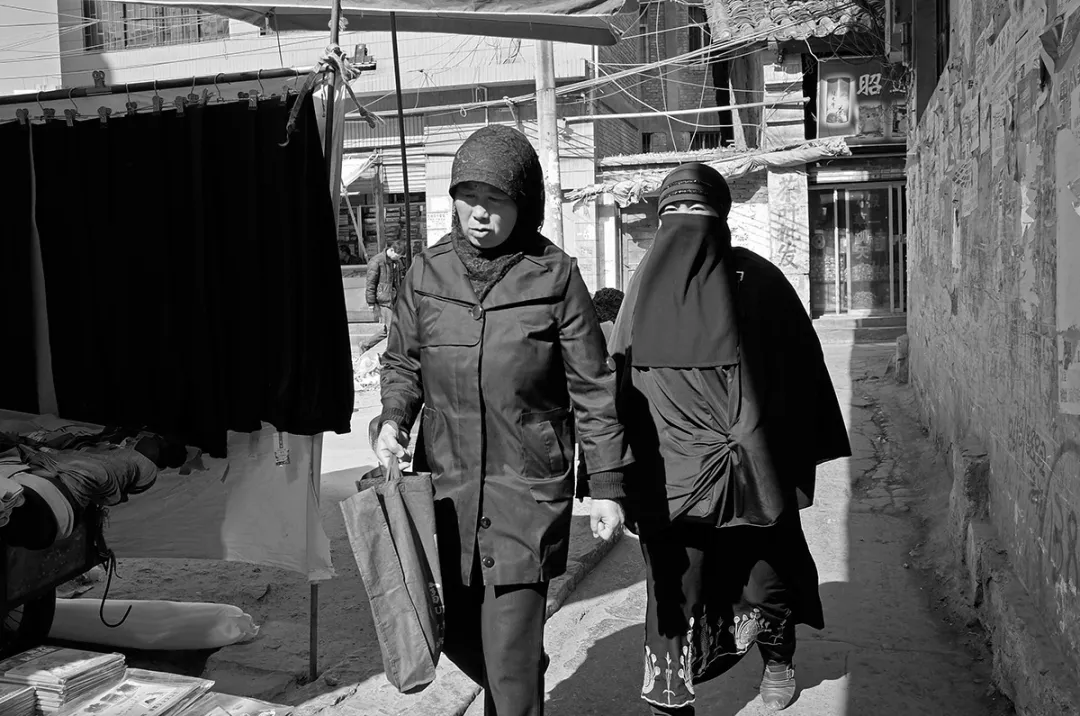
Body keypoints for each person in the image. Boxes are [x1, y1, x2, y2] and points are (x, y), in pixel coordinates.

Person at [374, 124, 632, 716]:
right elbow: (403, 363)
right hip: (447, 489)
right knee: (456, 635)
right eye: (468, 196)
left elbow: (593, 386)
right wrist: (393, 420)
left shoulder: (555, 275)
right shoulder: (425, 274)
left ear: (525, 204)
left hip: (526, 490)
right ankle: (517, 675)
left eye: (496, 199)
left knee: (510, 664)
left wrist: (608, 484)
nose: (480, 213)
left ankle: (517, 684)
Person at [609, 163, 851, 714]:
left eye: (698, 211)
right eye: (672, 212)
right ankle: (670, 699)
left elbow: (800, 378)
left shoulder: (760, 283)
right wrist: (615, 479)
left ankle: (778, 658)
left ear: (722, 219)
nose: (685, 222)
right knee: (672, 595)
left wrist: (776, 453)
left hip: (751, 473)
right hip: (671, 481)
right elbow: (618, 387)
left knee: (766, 581)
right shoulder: (641, 291)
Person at [361, 240, 406, 353]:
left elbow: (400, 280)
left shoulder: (396, 262)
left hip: (395, 298)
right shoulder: (377, 261)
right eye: (397, 255)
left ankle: (365, 344)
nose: (398, 258)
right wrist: (371, 303)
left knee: (389, 328)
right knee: (392, 329)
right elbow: (370, 283)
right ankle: (391, 355)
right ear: (391, 250)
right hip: (384, 300)